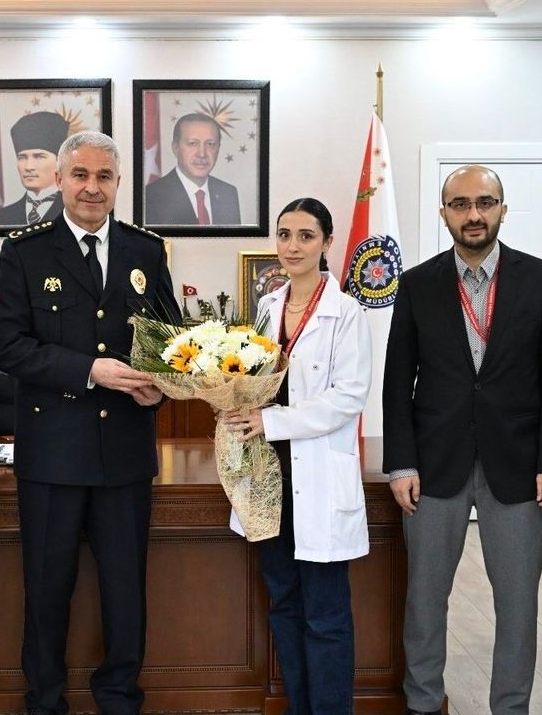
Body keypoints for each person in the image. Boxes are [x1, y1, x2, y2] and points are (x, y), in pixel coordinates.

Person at [0, 131, 181, 715]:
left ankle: (119, 698)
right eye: (80, 175)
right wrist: (90, 370)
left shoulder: (146, 249)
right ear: (59, 180)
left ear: (119, 183)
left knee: (125, 592)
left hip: (125, 453)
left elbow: (172, 342)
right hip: (53, 456)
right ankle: (44, 701)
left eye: (103, 177)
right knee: (47, 591)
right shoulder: (24, 252)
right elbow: (8, 346)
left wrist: (161, 387)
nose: (91, 187)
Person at [382, 165, 542, 715]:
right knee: (425, 599)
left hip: (517, 468)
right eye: (461, 204)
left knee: (516, 604)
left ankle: (510, 707)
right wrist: (401, 464)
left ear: (502, 210)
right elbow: (397, 382)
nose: (474, 214)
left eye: (485, 203)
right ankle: (423, 702)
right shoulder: (417, 284)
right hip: (433, 466)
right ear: (444, 213)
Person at [219, 197, 372, 714]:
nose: (292, 246)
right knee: (284, 603)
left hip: (318, 478)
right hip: (269, 478)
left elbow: (348, 397)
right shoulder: (267, 307)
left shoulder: (346, 312)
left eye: (306, 236)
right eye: (284, 235)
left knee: (325, 614)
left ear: (327, 243)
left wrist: (271, 422)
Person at [143, 113, 241, 226]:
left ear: (218, 148)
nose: (202, 154)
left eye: (210, 144)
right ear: (175, 148)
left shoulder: (228, 194)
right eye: (193, 143)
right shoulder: (150, 197)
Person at [0, 111, 69, 227]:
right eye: (22, 157)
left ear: (59, 161)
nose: (28, 167)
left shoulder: (78, 215)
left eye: (39, 156)